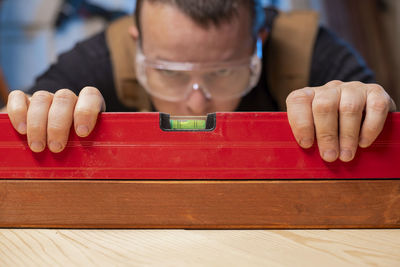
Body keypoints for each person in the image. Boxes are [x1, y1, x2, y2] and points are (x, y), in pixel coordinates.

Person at [4, 0, 397, 163]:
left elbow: (382, 135)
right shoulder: (95, 58)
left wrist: (367, 113)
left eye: (224, 71)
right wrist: (36, 117)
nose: (196, 104)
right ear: (137, 45)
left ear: (259, 44)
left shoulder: (312, 51)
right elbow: (17, 122)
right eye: (170, 73)